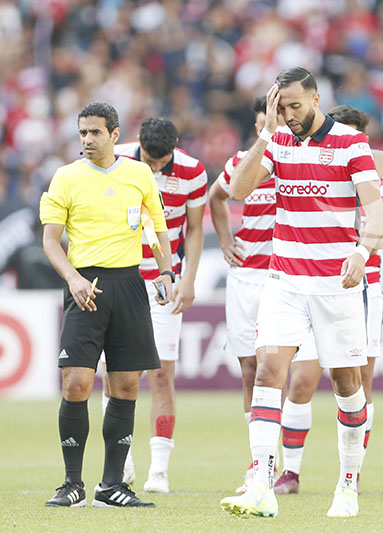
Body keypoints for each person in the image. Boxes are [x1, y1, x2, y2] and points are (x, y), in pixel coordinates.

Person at [218, 67, 383, 518]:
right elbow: (237, 190)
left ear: (315, 99)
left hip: (337, 285)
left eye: (296, 105)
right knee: (268, 371)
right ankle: (261, 483)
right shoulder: (277, 141)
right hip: (285, 280)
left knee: (348, 386)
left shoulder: (352, 143)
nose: (290, 114)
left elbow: (378, 215)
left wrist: (361, 251)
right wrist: (266, 135)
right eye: (282, 106)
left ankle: (348, 485)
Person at [40, 101, 174, 508]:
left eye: (95, 132)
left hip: (129, 284)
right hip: (86, 286)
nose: (87, 140)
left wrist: (166, 272)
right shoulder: (65, 177)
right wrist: (74, 278)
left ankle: (112, 485)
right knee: (76, 383)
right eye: (82, 132)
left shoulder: (139, 175)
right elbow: (50, 241)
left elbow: (158, 227)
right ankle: (72, 484)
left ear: (115, 135)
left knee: (127, 385)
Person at [275, 104, 383, 494]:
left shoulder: (374, 176)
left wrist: (360, 253)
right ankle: (290, 472)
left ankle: (352, 473)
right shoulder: (313, 165)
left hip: (363, 290)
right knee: (302, 380)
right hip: (311, 283)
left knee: (358, 382)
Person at [110, 117, 207, 494]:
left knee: (161, 373)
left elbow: (195, 229)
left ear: (174, 149)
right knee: (118, 372)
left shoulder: (192, 170)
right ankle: (123, 459)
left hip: (165, 281)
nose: (153, 169)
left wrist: (188, 278)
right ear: (138, 146)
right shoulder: (116, 159)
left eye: (161, 163)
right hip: (120, 277)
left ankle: (160, 472)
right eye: (148, 160)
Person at [208, 96, 290, 494]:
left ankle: (279, 463)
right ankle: (258, 462)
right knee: (249, 372)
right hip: (245, 279)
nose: (268, 131)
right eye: (262, 125)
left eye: (273, 123)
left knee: (277, 371)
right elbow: (216, 197)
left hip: (286, 279)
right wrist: (226, 241)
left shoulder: (296, 161)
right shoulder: (242, 162)